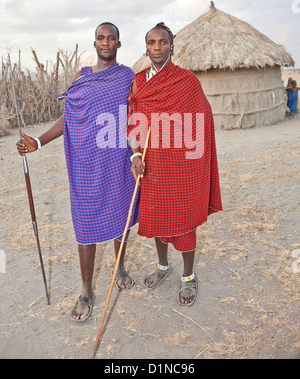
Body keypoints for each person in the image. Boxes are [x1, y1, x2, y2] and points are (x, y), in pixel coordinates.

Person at [16, 22, 139, 321]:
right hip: (85, 164)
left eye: (111, 39)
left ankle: (120, 266)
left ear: (119, 45)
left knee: (118, 217)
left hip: (117, 160)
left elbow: (137, 116)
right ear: (95, 43)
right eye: (101, 38)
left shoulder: (128, 77)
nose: (106, 43)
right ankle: (87, 290)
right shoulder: (81, 78)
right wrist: (39, 142)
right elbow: (68, 117)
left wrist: (137, 152)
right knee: (85, 225)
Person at [128, 22, 222, 307]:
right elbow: (133, 118)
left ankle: (188, 276)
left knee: (183, 220)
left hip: (182, 164)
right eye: (152, 43)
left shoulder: (187, 80)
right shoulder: (138, 81)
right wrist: (134, 154)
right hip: (152, 162)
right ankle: (162, 267)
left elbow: (203, 117)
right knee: (156, 216)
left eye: (163, 42)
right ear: (146, 47)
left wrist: (178, 136)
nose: (157, 48)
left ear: (172, 46)